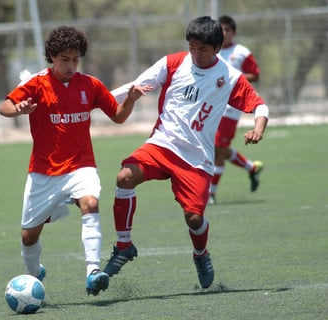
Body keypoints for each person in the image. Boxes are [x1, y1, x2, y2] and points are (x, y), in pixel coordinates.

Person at [103, 16, 269, 289]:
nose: (195, 53)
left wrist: (258, 128)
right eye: (191, 47)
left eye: (201, 49)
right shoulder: (173, 62)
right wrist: (98, 102)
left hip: (196, 159)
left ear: (216, 48)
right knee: (124, 178)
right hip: (162, 145)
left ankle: (201, 254)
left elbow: (259, 106)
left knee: (194, 218)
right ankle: (123, 246)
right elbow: (132, 87)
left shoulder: (229, 77)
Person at [0, 26, 150, 296]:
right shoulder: (37, 84)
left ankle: (93, 271)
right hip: (44, 172)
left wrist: (130, 100)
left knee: (90, 203)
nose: (70, 65)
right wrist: (18, 110)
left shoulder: (89, 84)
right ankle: (33, 277)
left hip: (81, 166)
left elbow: (117, 116)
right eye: (64, 59)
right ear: (52, 57)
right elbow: (5, 106)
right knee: (28, 237)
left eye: (75, 59)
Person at [208, 15, 263, 205]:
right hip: (213, 104)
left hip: (231, 107)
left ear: (234, 32)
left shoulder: (241, 52)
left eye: (227, 30)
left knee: (218, 149)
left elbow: (255, 75)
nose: (224, 33)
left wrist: (234, 78)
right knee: (217, 148)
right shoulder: (211, 51)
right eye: (221, 30)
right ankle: (251, 168)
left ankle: (211, 194)